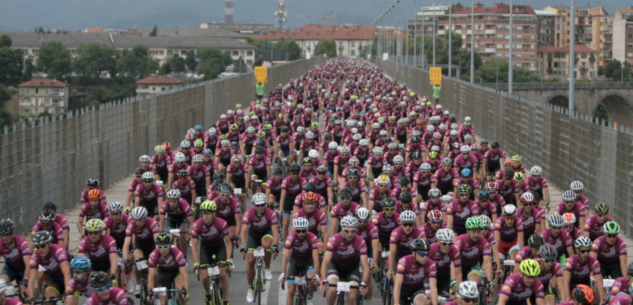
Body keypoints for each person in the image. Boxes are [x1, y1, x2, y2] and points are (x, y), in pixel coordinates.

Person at [320, 216, 369, 305]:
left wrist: (364, 283)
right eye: (347, 231)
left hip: (352, 269)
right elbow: (326, 262)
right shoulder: (334, 239)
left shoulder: (360, 241)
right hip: (335, 266)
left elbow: (365, 266)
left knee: (352, 296)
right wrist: (324, 280)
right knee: (332, 289)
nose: (350, 234)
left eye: (352, 231)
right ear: (341, 229)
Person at [191, 200, 232, 305]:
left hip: (219, 246)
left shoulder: (222, 223)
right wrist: (196, 264)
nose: (206, 216)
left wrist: (228, 260)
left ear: (214, 213)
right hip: (206, 248)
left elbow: (228, 242)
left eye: (208, 213)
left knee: (223, 273)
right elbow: (194, 246)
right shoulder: (196, 225)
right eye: (203, 213)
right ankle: (207, 294)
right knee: (205, 276)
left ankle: (226, 299)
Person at [240, 192, 279, 303]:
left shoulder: (271, 214)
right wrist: (244, 246)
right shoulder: (248, 214)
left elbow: (275, 232)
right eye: (258, 205)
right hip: (253, 235)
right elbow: (243, 232)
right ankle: (249, 289)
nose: (261, 207)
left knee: (266, 245)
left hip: (266, 233)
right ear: (253, 205)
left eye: (263, 204)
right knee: (251, 260)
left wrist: (275, 246)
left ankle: (267, 268)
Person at [279, 217, 320, 305]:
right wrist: (283, 273)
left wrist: (316, 274)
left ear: (307, 229)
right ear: (295, 230)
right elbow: (286, 256)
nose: (301, 233)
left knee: (311, 279)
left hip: (308, 261)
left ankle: (309, 297)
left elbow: (315, 257)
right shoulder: (290, 238)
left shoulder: (312, 238)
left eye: (303, 231)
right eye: (298, 231)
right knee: (290, 290)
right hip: (295, 261)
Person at [122, 206, 160, 297]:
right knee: (138, 260)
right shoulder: (131, 224)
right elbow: (126, 244)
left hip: (151, 246)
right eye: (136, 220)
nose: (138, 222)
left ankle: (155, 291)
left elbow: (157, 242)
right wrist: (125, 259)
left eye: (140, 220)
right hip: (140, 246)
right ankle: (138, 285)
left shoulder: (152, 223)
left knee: (154, 273)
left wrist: (157, 257)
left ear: (145, 218)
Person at [26, 231, 71, 302]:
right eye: (37, 247)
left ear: (49, 243)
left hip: (70, 278)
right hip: (54, 279)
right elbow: (31, 279)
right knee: (49, 300)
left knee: (70, 300)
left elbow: (66, 273)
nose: (40, 249)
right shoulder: (35, 256)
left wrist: (68, 292)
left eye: (43, 246)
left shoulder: (58, 251)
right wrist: (31, 297)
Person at [147, 233, 189, 305]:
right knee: (163, 302)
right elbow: (151, 276)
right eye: (160, 247)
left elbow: (184, 274)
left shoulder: (177, 253)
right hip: (163, 274)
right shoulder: (153, 255)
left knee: (181, 291)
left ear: (170, 245)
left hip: (176, 273)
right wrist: (150, 293)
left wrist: (186, 292)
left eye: (165, 247)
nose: (163, 250)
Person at [393, 238, 438, 305]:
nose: (425, 257)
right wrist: (396, 303)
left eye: (427, 254)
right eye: (422, 254)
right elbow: (397, 284)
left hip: (417, 289)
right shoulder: (403, 262)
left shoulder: (431, 264)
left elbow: (433, 287)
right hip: (402, 290)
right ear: (414, 253)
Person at [454, 217, 494, 286]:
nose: (476, 235)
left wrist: (490, 281)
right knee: (456, 289)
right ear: (467, 231)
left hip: (473, 266)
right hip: (458, 266)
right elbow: (453, 260)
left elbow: (487, 262)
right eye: (473, 231)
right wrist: (453, 280)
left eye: (478, 231)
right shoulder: (460, 240)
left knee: (473, 285)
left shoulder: (484, 242)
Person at [563, 237, 604, 303]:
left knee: (596, 286)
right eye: (583, 251)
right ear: (577, 251)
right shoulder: (570, 261)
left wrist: (602, 300)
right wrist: (567, 297)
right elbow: (566, 280)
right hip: (572, 284)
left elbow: (599, 282)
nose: (586, 254)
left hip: (585, 283)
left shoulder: (594, 262)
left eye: (588, 251)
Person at [388, 211, 424, 282]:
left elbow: (422, 251)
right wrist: (390, 269)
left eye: (410, 224)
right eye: (405, 224)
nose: (408, 227)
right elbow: (392, 252)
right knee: (396, 279)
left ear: (414, 224)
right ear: (401, 224)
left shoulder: (420, 233)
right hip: (399, 255)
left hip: (413, 255)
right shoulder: (395, 233)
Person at [158, 189, 194, 254]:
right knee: (169, 237)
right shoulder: (164, 205)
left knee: (183, 234)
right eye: (170, 201)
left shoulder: (184, 203)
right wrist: (161, 232)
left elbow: (191, 221)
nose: (172, 204)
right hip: (171, 218)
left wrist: (189, 232)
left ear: (178, 200)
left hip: (182, 217)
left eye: (174, 201)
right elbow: (162, 221)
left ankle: (184, 256)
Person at [430, 229, 462, 296]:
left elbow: (458, 274)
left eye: (450, 244)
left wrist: (458, 292)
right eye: (444, 243)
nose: (447, 246)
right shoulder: (431, 249)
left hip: (444, 277)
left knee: (445, 300)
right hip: (430, 276)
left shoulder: (455, 251)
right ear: (438, 242)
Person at [0, 219, 30, 290]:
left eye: (7, 234)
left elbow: (28, 264)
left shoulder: (22, 242)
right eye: (2, 235)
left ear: (13, 233)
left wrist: (25, 279)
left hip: (24, 269)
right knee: (1, 285)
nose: (4, 238)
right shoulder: (0, 244)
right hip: (11, 268)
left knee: (25, 294)